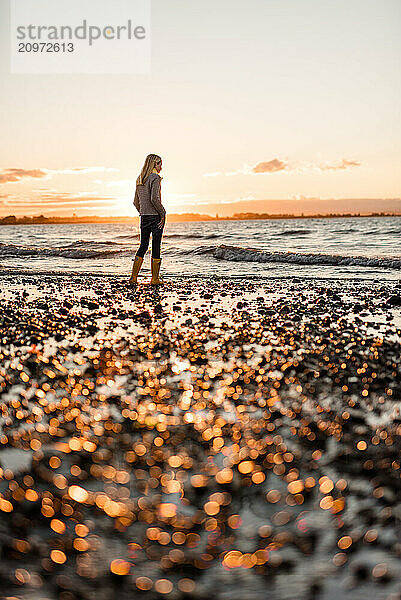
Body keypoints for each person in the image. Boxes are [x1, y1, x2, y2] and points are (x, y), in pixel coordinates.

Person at [129, 154, 166, 285]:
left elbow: (135, 202)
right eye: (160, 164)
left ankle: (133, 278)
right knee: (156, 246)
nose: (161, 166)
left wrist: (143, 212)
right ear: (154, 164)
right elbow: (154, 199)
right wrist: (163, 213)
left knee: (143, 246)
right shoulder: (155, 177)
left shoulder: (140, 179)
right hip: (155, 217)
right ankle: (155, 279)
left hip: (144, 217)